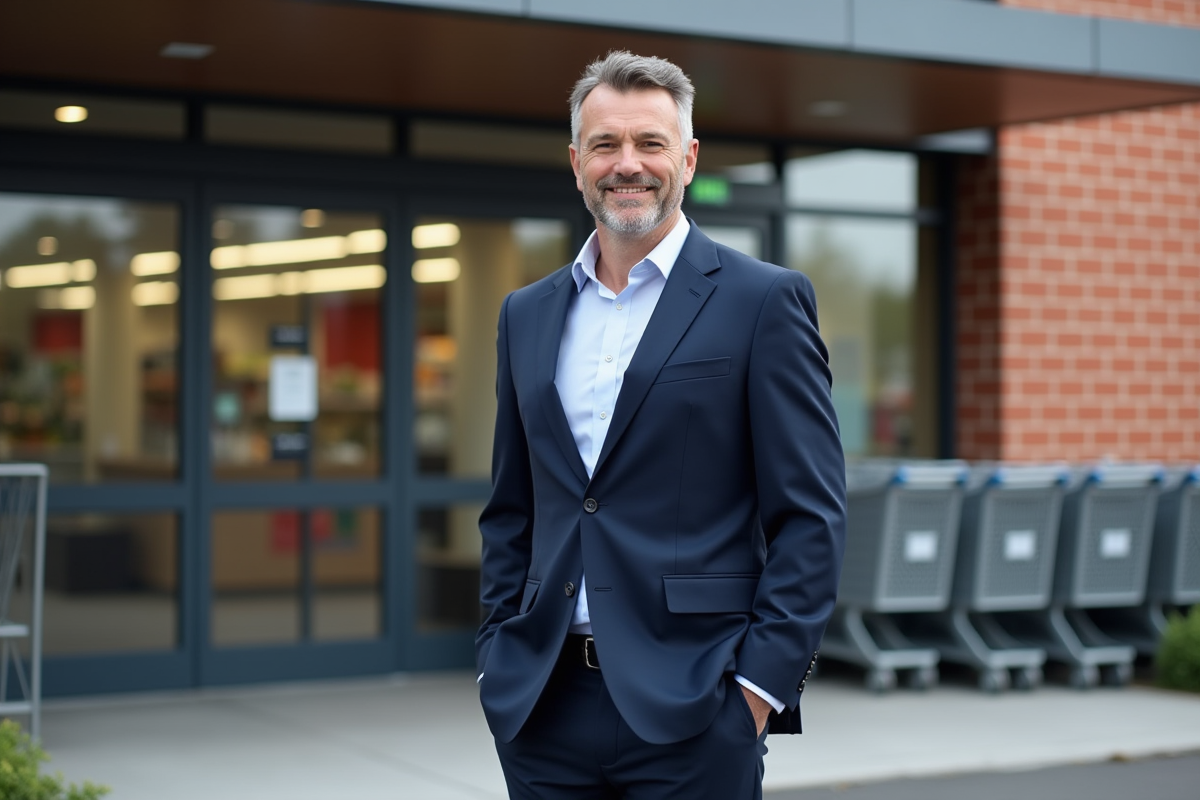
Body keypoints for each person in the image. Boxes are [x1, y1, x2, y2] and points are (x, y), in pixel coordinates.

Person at [476, 50, 846, 800]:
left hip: (698, 709)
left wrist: (757, 692)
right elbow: (513, 507)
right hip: (542, 708)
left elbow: (811, 519)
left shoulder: (762, 302)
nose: (628, 164)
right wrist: (496, 656)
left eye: (650, 142)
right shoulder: (527, 314)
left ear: (688, 156)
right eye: (606, 145)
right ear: (577, 161)